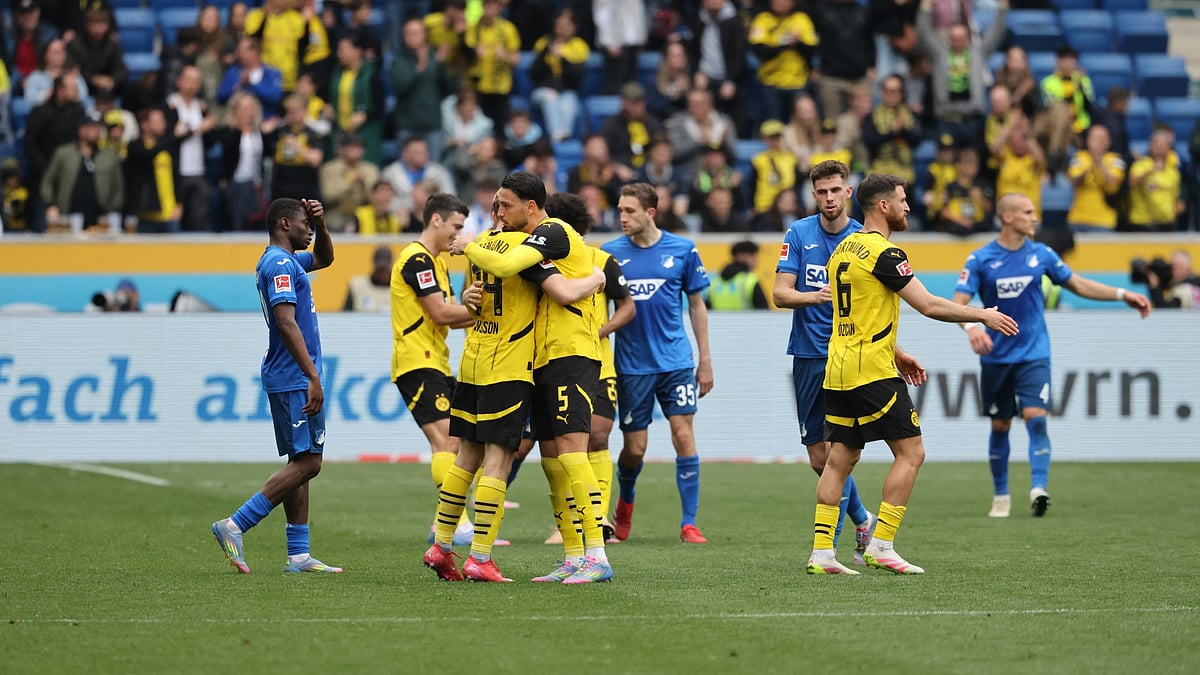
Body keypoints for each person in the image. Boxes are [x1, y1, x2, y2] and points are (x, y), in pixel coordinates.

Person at [806, 175, 1020, 576]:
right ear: (883, 206)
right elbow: (929, 305)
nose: (908, 207)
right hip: (871, 372)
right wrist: (982, 315)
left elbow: (853, 314)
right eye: (902, 201)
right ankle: (882, 545)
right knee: (911, 453)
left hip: (839, 368)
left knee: (840, 459)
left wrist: (898, 352)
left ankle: (821, 554)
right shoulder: (885, 254)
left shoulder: (841, 250)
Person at [428, 171, 609, 584]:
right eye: (494, 205)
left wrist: (472, 246)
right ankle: (573, 554)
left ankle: (597, 554)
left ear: (530, 206)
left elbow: (558, 290)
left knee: (571, 453)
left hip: (572, 354)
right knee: (552, 462)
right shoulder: (526, 247)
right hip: (538, 360)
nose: (497, 212)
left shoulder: (553, 232)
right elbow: (534, 283)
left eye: (504, 204)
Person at [952, 192, 1150, 520]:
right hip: (997, 358)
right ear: (1007, 217)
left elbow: (1078, 284)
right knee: (1000, 424)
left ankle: (1038, 488)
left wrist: (1123, 294)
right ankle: (1001, 495)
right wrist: (972, 327)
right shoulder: (980, 259)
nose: (1034, 218)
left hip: (1034, 354)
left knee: (1035, 416)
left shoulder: (1041, 254)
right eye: (1027, 212)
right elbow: (958, 303)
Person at [211, 197, 342, 575]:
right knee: (311, 463)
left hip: (290, 375)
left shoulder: (285, 261)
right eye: (305, 223)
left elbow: (326, 259)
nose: (309, 230)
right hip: (293, 377)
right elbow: (286, 322)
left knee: (299, 461)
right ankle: (235, 524)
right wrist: (312, 376)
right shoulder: (278, 265)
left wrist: (324, 224)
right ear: (284, 224)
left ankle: (299, 554)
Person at [773, 160, 875, 568]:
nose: (829, 198)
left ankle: (827, 546)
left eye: (836, 190)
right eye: (822, 192)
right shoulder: (798, 233)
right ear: (813, 195)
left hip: (851, 357)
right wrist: (814, 296)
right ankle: (863, 520)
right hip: (809, 356)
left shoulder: (864, 238)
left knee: (841, 453)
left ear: (848, 192)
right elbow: (781, 293)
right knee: (819, 458)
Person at [601, 182, 714, 544]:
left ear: (650, 213)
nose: (622, 217)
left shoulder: (682, 250)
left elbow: (697, 305)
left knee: (684, 435)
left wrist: (705, 360)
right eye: (620, 210)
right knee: (635, 449)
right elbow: (600, 310)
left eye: (629, 211)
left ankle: (689, 523)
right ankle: (626, 502)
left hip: (676, 361)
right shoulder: (609, 254)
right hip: (632, 365)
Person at [541, 191, 637, 548]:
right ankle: (568, 523)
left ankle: (598, 519)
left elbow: (628, 307)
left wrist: (602, 329)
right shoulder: (544, 262)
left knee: (597, 435)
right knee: (555, 447)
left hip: (598, 363)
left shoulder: (602, 260)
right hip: (552, 361)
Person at [390, 193, 480, 547]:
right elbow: (442, 314)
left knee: (456, 440)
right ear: (436, 220)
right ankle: (455, 523)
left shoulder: (438, 263)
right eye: (456, 227)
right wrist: (485, 310)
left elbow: (453, 320)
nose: (458, 235)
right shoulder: (417, 260)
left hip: (435, 361)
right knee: (446, 440)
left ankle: (443, 522)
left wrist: (473, 307)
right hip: (416, 361)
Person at [708, 240, 768, 310]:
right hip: (746, 321)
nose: (756, 258)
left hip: (718, 321)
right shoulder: (750, 280)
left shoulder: (715, 281)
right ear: (740, 256)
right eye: (752, 254)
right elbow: (764, 312)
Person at [344, 244, 392, 312]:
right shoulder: (357, 286)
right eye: (379, 269)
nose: (382, 273)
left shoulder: (400, 289)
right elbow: (345, 314)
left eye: (384, 269)